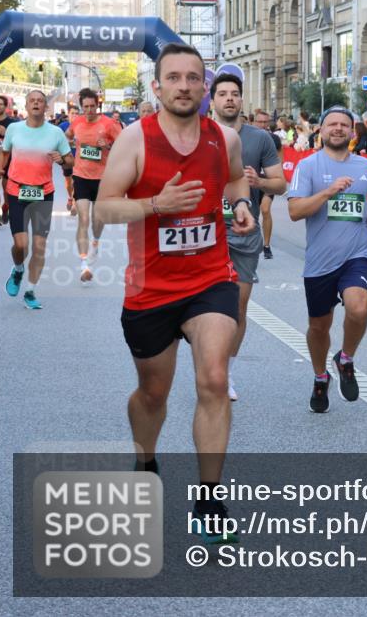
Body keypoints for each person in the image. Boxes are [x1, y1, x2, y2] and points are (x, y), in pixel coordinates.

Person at [95, 42, 255, 544]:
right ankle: (146, 459)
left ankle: (208, 498)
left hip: (211, 278)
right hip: (151, 288)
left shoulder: (223, 139)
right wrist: (155, 205)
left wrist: (241, 208)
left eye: (193, 77)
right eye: (175, 78)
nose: (185, 86)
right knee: (153, 392)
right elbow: (104, 209)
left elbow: (233, 186)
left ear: (204, 86)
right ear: (157, 86)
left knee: (213, 376)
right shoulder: (134, 140)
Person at [287, 106, 367, 413]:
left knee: (359, 308)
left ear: (352, 132)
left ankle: (345, 359)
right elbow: (295, 212)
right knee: (319, 327)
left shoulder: (366, 166)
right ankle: (321, 377)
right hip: (320, 261)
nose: (337, 129)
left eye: (343, 125)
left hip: (358, 253)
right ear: (321, 130)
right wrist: (327, 193)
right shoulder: (308, 166)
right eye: (331, 124)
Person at [210, 73, 286, 401]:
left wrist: (259, 183)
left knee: (237, 306)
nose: (229, 99)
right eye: (223, 93)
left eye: (234, 94)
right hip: (204, 232)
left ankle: (224, 370)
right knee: (206, 307)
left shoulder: (260, 139)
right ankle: (209, 363)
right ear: (212, 100)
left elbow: (280, 184)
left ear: (242, 101)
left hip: (244, 231)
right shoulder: (197, 135)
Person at [0, 90, 74, 309]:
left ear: (45, 107)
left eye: (40, 101)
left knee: (39, 247)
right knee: (21, 245)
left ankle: (30, 291)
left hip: (43, 192)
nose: (37, 104)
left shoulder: (56, 132)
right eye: (32, 101)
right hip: (17, 191)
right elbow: (4, 152)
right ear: (27, 106)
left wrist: (62, 160)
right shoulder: (14, 129)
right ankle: (18, 269)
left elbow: (71, 162)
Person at [66, 88, 124, 283]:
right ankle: (84, 265)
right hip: (81, 176)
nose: (89, 110)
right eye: (86, 107)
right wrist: (66, 145)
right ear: (81, 107)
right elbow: (68, 135)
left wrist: (107, 146)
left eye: (92, 106)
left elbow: (124, 146)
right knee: (83, 219)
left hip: (103, 179)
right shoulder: (77, 122)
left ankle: (96, 243)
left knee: (96, 221)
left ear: (98, 106)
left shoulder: (109, 124)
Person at [253, 109, 279, 259]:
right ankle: (253, 243)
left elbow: (280, 160)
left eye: (265, 122)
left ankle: (266, 245)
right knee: (252, 212)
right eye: (260, 122)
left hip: (268, 182)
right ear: (254, 122)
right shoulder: (248, 137)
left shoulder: (274, 139)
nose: (262, 125)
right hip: (251, 181)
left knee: (265, 209)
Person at [0, 95, 19, 227]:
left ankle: (6, 207)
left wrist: (5, 133)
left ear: (5, 107)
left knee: (7, 190)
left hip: (8, 159)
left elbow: (19, 142)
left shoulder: (12, 124)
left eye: (1, 104)